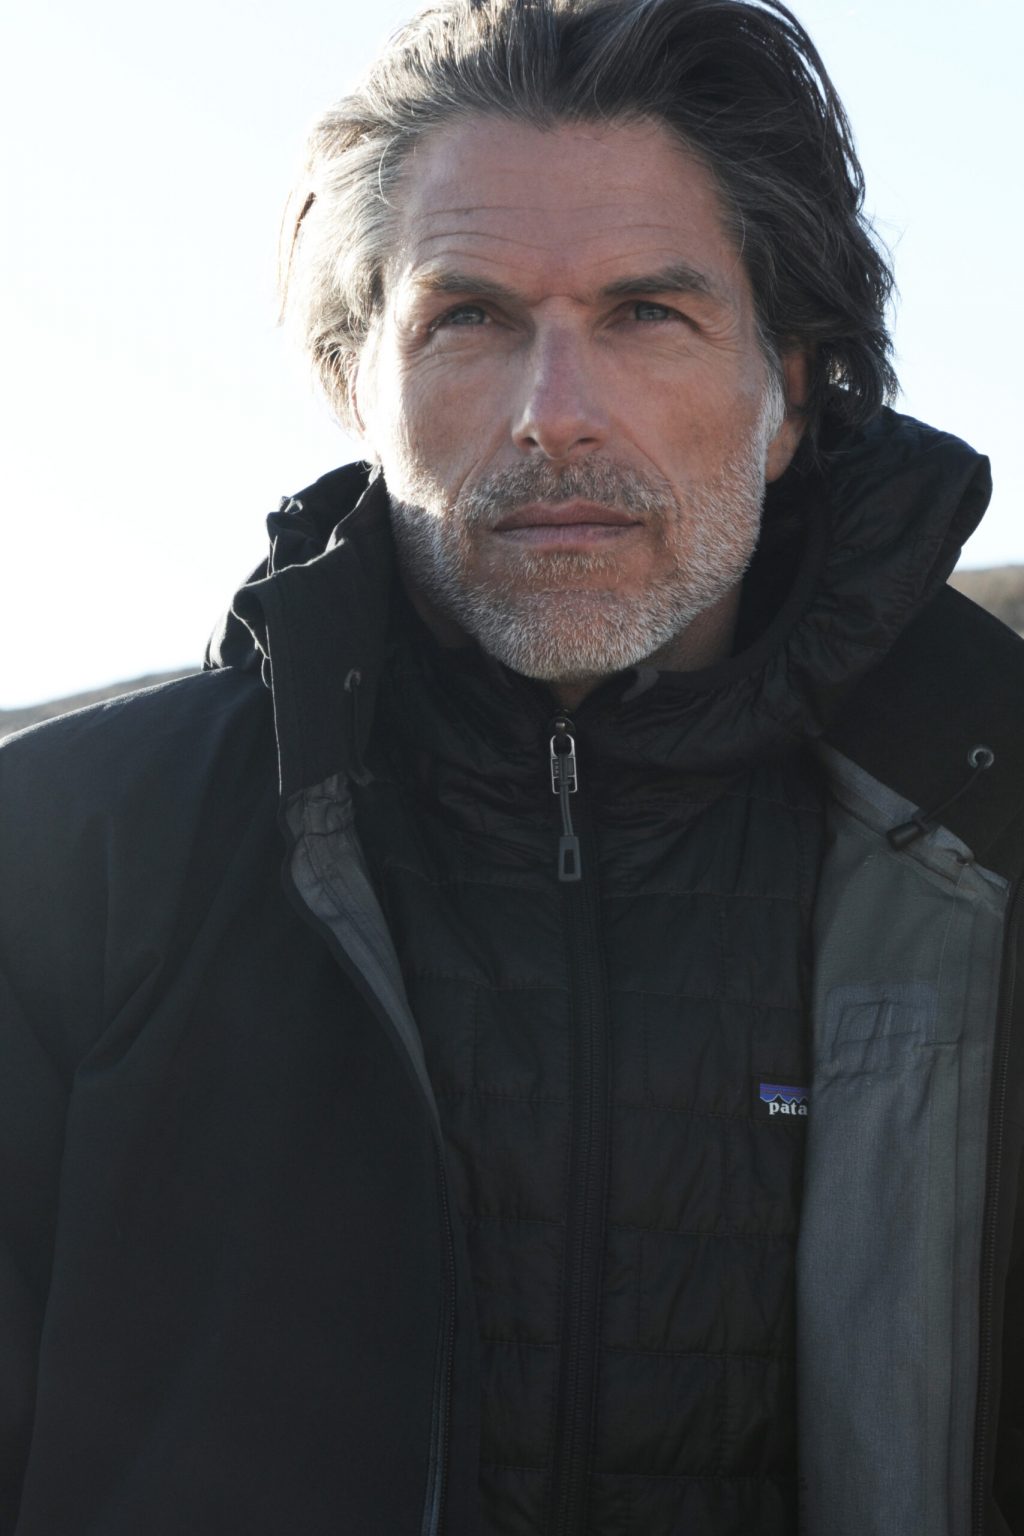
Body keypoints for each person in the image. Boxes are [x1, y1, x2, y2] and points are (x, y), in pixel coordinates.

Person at [1, 0, 1021, 1530]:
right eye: (469, 319)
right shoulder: (57, 862)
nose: (555, 416)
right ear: (356, 382)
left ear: (793, 391)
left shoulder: (996, 845)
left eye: (646, 313)